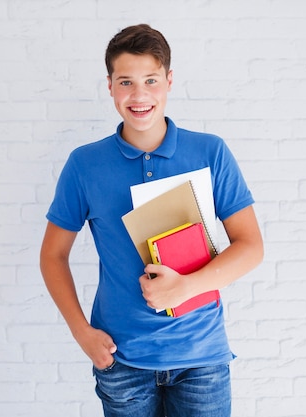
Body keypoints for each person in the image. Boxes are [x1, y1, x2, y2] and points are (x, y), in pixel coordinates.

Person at [40, 23, 264, 417]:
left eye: (150, 80)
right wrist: (81, 333)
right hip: (121, 359)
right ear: (109, 85)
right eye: (126, 81)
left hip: (202, 359)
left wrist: (186, 288)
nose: (139, 95)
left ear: (169, 81)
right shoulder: (84, 164)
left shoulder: (210, 152)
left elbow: (251, 247)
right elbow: (53, 255)